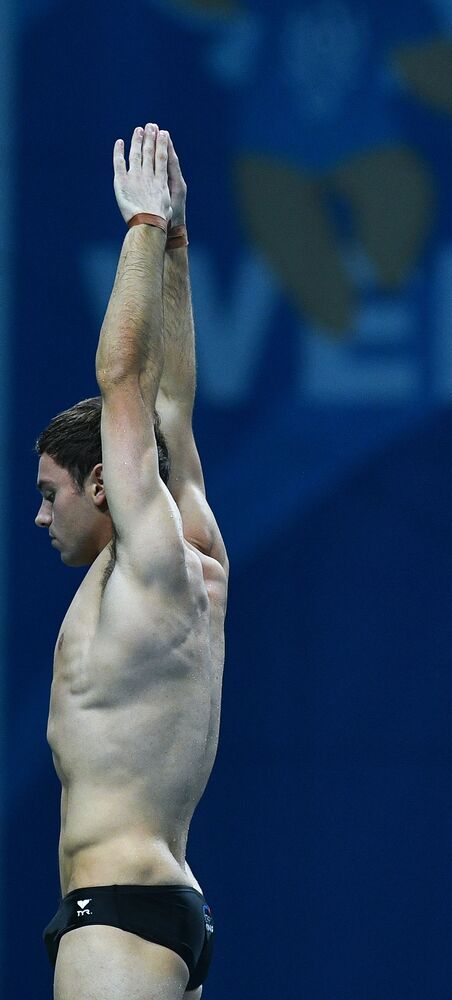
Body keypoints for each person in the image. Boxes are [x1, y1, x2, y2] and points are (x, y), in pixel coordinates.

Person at [34, 123, 228, 999]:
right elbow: (171, 403)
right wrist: (179, 248)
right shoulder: (193, 550)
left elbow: (127, 382)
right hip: (163, 907)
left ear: (105, 483)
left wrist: (144, 227)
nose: (41, 516)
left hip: (117, 915)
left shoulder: (149, 561)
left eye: (52, 493)